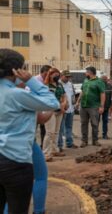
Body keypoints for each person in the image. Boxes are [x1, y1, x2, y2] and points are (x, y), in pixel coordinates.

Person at [0, 48, 59, 214]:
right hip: (15, 158)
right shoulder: (16, 94)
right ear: (16, 71)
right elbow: (52, 103)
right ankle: (39, 210)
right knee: (18, 205)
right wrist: (31, 81)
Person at [75, 66, 105, 147]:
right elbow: (82, 91)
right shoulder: (85, 80)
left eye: (86, 72)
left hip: (94, 106)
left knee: (95, 124)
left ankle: (95, 140)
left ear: (91, 72)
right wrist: (78, 102)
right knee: (83, 123)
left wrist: (102, 106)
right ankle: (84, 141)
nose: (85, 73)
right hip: (83, 106)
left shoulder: (99, 82)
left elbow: (102, 94)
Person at [43, 68, 67, 161]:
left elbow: (64, 95)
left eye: (58, 74)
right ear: (50, 74)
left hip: (59, 110)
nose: (57, 76)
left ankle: (54, 150)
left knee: (56, 132)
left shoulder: (59, 84)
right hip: (49, 111)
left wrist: (64, 103)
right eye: (55, 74)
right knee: (49, 132)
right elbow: (44, 98)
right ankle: (45, 154)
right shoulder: (46, 86)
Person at [58, 70, 78, 149]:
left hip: (70, 109)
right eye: (66, 77)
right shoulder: (58, 84)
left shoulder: (70, 84)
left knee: (69, 127)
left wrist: (74, 104)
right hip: (62, 110)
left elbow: (73, 95)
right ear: (61, 76)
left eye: (69, 77)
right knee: (60, 129)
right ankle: (59, 145)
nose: (68, 78)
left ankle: (69, 143)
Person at [35, 65, 52, 148]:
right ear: (43, 72)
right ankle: (32, 147)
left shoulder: (48, 81)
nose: (48, 75)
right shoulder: (35, 80)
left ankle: (43, 146)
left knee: (44, 129)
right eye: (47, 73)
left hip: (44, 108)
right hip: (35, 108)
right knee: (33, 129)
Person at [100, 75, 112, 139]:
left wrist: (111, 104)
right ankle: (95, 135)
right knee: (96, 122)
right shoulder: (98, 85)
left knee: (105, 121)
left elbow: (111, 96)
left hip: (106, 107)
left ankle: (105, 134)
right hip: (98, 107)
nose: (104, 80)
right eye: (103, 79)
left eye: (105, 79)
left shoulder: (109, 86)